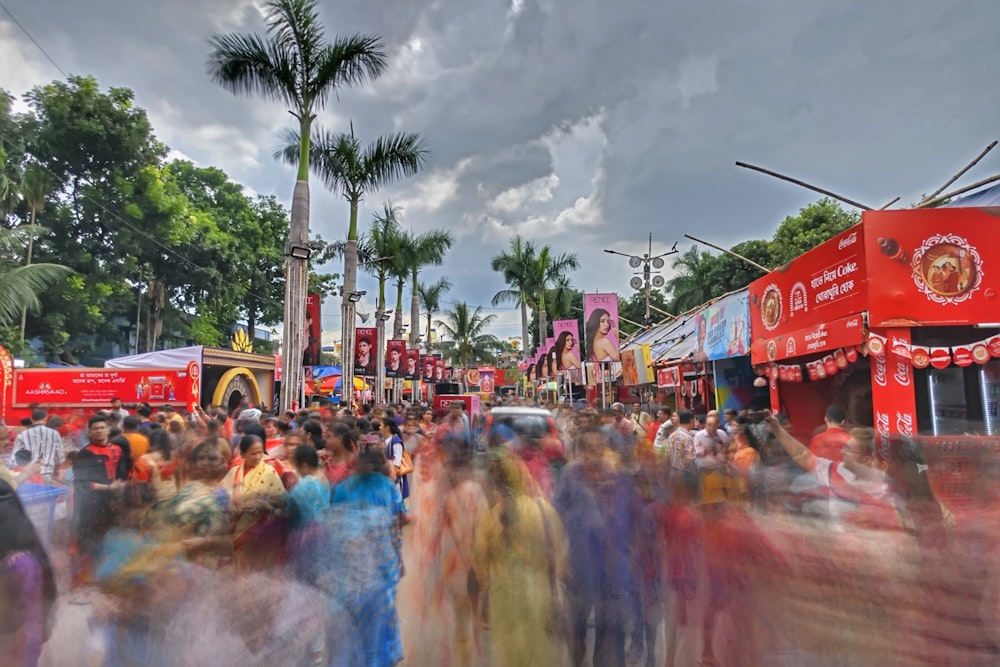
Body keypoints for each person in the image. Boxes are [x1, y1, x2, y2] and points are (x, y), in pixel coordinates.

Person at [0, 479, 58, 667]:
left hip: (15, 645)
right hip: (26, 641)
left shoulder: (17, 564)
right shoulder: (28, 551)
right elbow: (49, 593)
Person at [71, 415, 130, 585]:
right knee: (88, 538)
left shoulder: (117, 450)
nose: (99, 431)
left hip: (113, 502)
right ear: (89, 432)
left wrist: (119, 488)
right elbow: (81, 482)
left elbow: (123, 473)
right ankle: (85, 576)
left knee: (111, 535)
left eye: (102, 427)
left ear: (108, 430)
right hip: (90, 504)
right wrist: (108, 488)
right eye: (95, 428)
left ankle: (108, 572)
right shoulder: (84, 454)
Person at [220, 434, 287, 572]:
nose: (257, 457)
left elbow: (283, 502)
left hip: (256, 534)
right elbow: (220, 496)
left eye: (260, 452)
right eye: (253, 454)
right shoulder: (234, 472)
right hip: (232, 531)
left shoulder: (269, 473)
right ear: (243, 454)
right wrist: (232, 507)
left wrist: (266, 505)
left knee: (251, 573)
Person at [13, 408, 64, 485]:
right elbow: (59, 456)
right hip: (47, 474)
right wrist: (56, 471)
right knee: (47, 495)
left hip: (28, 475)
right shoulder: (54, 433)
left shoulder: (22, 435)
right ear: (46, 418)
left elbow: (15, 457)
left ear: (31, 419)